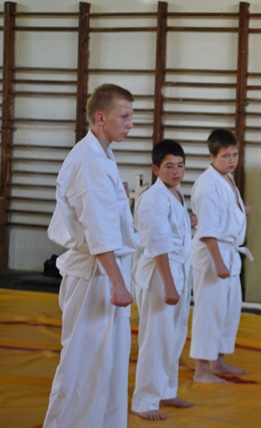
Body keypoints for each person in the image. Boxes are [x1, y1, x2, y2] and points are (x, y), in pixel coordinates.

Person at [44, 83, 137, 428]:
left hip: (105, 270)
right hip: (95, 275)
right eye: (124, 117)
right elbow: (98, 229)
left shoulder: (102, 155)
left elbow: (106, 217)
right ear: (100, 118)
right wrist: (117, 282)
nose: (130, 124)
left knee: (108, 365)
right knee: (82, 366)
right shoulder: (89, 160)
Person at [131, 139, 195, 421]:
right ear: (156, 169)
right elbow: (157, 243)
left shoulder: (176, 194)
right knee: (156, 339)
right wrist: (168, 284)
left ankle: (166, 390)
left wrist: (188, 222)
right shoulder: (153, 198)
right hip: (161, 273)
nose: (176, 171)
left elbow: (173, 231)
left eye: (180, 165)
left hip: (179, 269)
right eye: (169, 166)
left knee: (175, 335)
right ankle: (144, 401)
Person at [189, 128, 253, 384]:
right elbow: (207, 229)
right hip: (213, 255)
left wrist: (240, 211)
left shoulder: (226, 179)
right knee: (209, 312)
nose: (232, 160)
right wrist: (218, 263)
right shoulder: (207, 185)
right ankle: (201, 368)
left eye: (235, 154)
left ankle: (218, 360)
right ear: (212, 156)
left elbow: (223, 212)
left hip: (229, 254)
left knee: (228, 311)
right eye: (226, 156)